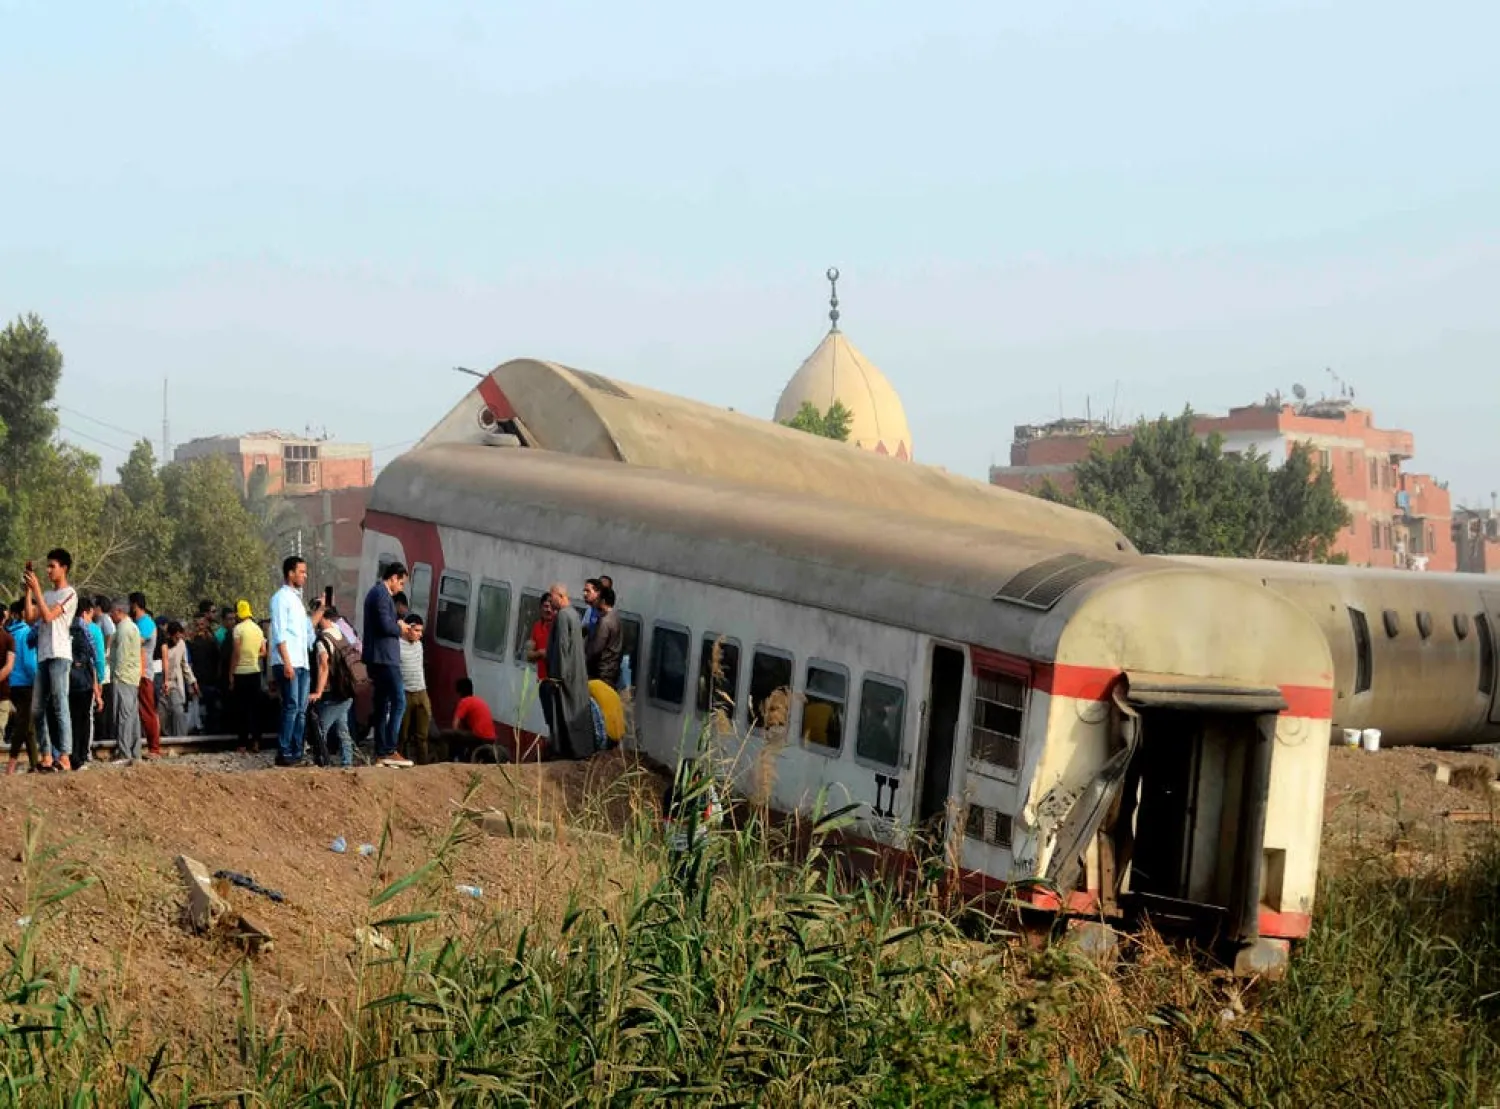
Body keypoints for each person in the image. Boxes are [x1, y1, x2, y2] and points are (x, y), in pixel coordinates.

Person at [24, 548, 78, 772]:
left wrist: (36, 589)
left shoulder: (70, 593)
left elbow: (47, 616)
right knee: (37, 709)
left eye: (52, 566)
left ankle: (64, 755)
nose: (48, 570)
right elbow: (30, 618)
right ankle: (46, 754)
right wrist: (29, 591)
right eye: (47, 566)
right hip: (44, 655)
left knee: (59, 704)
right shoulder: (45, 595)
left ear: (63, 568)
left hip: (60, 655)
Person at [363, 562, 417, 768]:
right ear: (393, 578)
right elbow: (385, 625)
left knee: (382, 705)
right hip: (383, 658)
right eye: (401, 583)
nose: (401, 587)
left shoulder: (378, 594)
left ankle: (381, 750)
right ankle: (389, 748)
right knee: (399, 701)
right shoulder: (381, 595)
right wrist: (401, 628)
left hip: (380, 657)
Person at [270, 556, 314, 767]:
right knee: (291, 705)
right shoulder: (281, 598)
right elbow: (279, 633)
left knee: (301, 709)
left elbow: (306, 631)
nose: (304, 576)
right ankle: (284, 750)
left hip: (302, 660)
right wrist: (287, 662)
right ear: (290, 573)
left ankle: (297, 750)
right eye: (302, 572)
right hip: (288, 660)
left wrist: (321, 611)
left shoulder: (298, 600)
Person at [543, 582, 593, 760]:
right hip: (576, 674)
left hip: (564, 677)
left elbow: (562, 647)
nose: (550, 600)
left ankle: (566, 751)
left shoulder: (563, 616)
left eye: (552, 596)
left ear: (560, 596)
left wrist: (557, 676)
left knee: (563, 714)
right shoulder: (574, 614)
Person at [309, 604, 356, 768]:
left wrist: (318, 692)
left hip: (335, 693)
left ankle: (323, 762)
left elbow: (324, 666)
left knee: (321, 727)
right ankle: (347, 763)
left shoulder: (323, 640)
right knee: (343, 729)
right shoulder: (341, 633)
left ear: (323, 617)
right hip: (349, 688)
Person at [66, 597, 102, 769]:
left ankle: (71, 755)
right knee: (83, 721)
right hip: (83, 682)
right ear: (85, 612)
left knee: (71, 719)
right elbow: (94, 658)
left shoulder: (66, 627)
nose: (91, 620)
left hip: (68, 681)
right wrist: (98, 684)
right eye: (90, 615)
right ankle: (80, 757)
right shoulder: (86, 631)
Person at [107, 599, 143, 763]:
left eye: (112, 612)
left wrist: (116, 676)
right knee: (132, 716)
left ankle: (124, 752)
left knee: (123, 716)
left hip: (123, 677)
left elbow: (121, 656)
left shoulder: (123, 629)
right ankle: (135, 752)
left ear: (119, 611)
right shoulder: (133, 627)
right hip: (132, 677)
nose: (111, 615)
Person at [4, 600, 37, 773]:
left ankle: (34, 763)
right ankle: (12, 763)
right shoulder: (27, 633)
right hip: (26, 684)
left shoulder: (8, 633)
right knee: (24, 724)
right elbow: (30, 663)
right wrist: (37, 680)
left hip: (12, 684)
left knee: (28, 725)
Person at [227, 600, 265, 751]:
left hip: (241, 673)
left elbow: (236, 653)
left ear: (238, 613)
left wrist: (231, 674)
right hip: (255, 672)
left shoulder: (238, 629)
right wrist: (253, 656)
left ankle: (242, 743)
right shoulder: (258, 629)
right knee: (255, 709)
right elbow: (264, 651)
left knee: (241, 709)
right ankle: (256, 741)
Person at [129, 593, 161, 759]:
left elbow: (136, 642)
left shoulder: (146, 623)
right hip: (136, 672)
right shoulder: (138, 623)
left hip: (144, 673)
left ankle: (154, 748)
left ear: (135, 605)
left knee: (148, 710)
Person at [439, 677, 498, 762]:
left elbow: (455, 724)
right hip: (491, 738)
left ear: (459, 692)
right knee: (464, 736)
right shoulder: (479, 700)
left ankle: (446, 762)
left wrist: (455, 739)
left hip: (479, 737)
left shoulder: (464, 701)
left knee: (445, 734)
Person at [399, 613, 432, 763]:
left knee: (423, 735)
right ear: (408, 629)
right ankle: (400, 759)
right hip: (405, 692)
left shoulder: (419, 645)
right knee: (403, 734)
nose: (420, 634)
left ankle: (423, 763)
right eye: (417, 630)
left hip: (421, 692)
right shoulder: (397, 645)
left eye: (420, 631)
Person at [525, 593, 556, 735]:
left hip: (556, 682)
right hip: (543, 680)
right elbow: (529, 655)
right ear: (540, 608)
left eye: (551, 607)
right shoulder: (537, 627)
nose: (548, 610)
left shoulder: (558, 626)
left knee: (557, 719)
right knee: (549, 719)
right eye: (545, 606)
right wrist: (541, 653)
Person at [161, 621, 198, 738]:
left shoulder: (181, 644)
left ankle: (180, 737)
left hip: (175, 682)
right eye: (176, 637)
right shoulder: (162, 644)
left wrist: (192, 681)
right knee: (162, 714)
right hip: (161, 683)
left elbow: (184, 664)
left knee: (178, 710)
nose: (178, 640)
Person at [585, 584, 623, 687]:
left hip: (602, 673)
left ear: (603, 601)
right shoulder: (616, 616)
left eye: (597, 599)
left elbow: (596, 649)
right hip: (613, 670)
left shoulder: (605, 622)